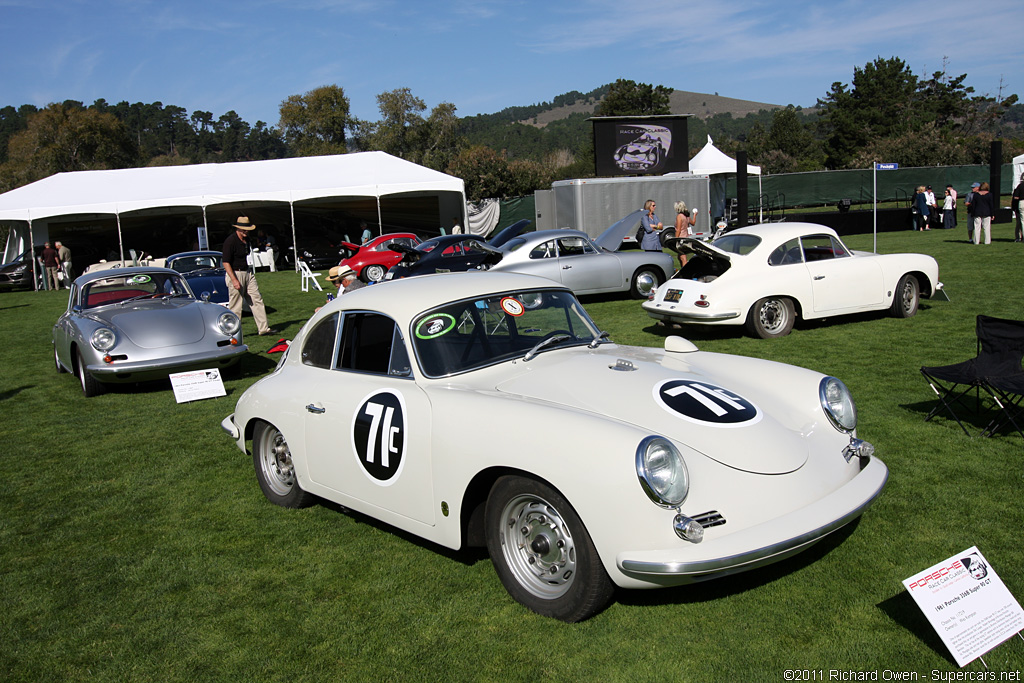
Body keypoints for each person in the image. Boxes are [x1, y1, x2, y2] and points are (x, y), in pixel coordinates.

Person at [222, 216, 278, 335]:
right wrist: (234, 280)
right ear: (238, 229)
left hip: (247, 272)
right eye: (244, 229)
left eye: (247, 229)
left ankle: (263, 329)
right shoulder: (230, 241)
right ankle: (233, 332)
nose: (246, 231)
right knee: (236, 306)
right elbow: (226, 262)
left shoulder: (247, 240)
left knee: (256, 299)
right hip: (235, 273)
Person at [673, 201, 698, 268]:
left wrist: (675, 239)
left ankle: (686, 273)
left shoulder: (679, 216)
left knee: (683, 258)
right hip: (686, 238)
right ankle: (682, 271)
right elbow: (693, 223)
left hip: (681, 239)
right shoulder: (687, 216)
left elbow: (678, 229)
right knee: (680, 257)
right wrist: (695, 215)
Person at [1011, 172, 1024, 243]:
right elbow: (1015, 198)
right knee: (1020, 222)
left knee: (1020, 222)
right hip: (1018, 206)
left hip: (1020, 205)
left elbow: (1015, 197)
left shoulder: (1019, 186)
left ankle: (1019, 237)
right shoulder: (1019, 187)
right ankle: (1018, 237)